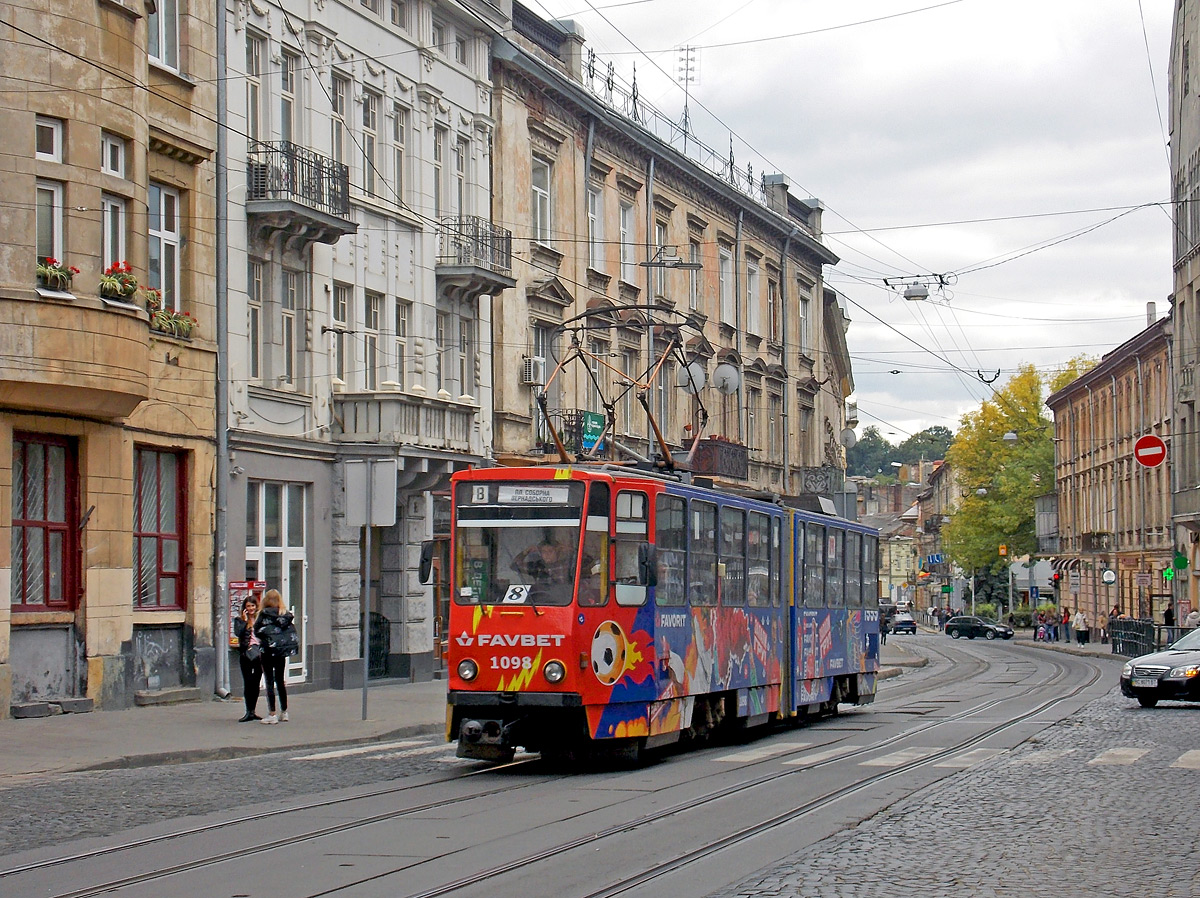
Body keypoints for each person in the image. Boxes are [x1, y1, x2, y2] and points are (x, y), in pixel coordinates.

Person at [254, 589, 295, 724]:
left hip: (267, 650)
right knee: (280, 680)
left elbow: (257, 631)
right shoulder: (285, 615)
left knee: (269, 681)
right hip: (280, 651)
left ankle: (272, 713)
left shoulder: (264, 614)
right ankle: (284, 711)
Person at [233, 595, 263, 722]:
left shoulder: (260, 619)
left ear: (256, 606)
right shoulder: (239, 620)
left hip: (259, 654)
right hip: (246, 654)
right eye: (248, 606)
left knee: (256, 683)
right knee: (248, 682)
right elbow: (238, 633)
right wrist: (245, 621)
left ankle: (253, 711)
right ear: (244, 608)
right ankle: (248, 711)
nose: (250, 608)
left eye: (252, 606)